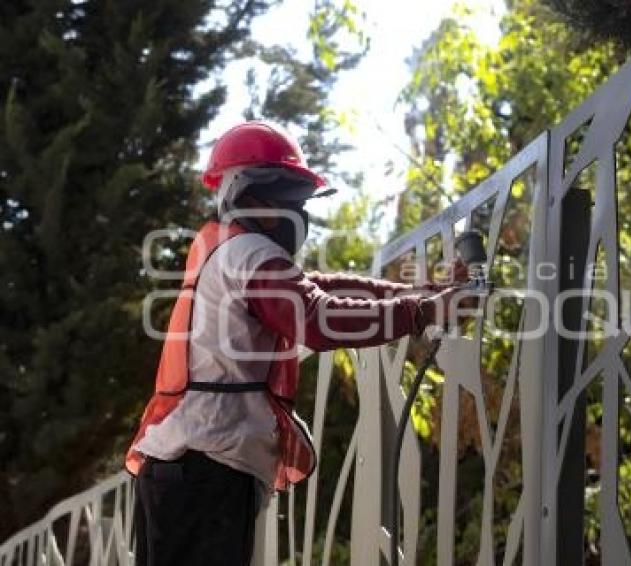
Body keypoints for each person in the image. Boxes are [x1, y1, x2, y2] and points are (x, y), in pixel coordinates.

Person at [126, 121, 462, 565]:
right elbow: (318, 318)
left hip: (182, 467)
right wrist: (423, 312)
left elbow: (321, 287)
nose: (295, 214)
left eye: (298, 203)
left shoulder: (226, 249)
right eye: (285, 200)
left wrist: (419, 293)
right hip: (205, 469)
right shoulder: (249, 253)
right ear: (247, 195)